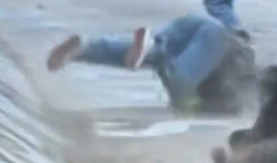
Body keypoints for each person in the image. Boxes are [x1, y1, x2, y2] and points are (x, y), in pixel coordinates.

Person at [46, 14, 255, 115]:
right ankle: (146, 48)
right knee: (179, 79)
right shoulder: (238, 78)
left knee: (157, 54)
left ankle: (84, 49)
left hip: (193, 27)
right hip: (221, 40)